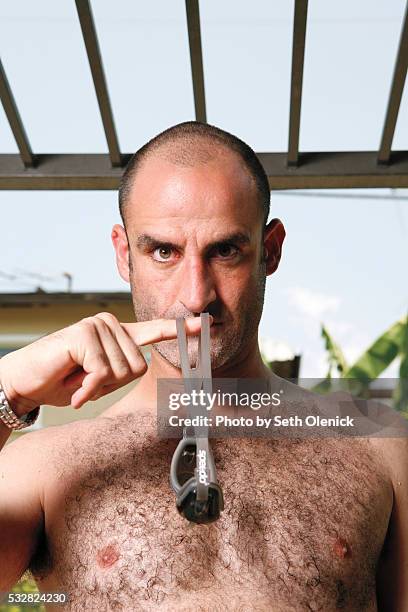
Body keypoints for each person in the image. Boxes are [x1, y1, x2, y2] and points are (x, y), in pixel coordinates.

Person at [0, 121, 406, 611]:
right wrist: (9, 392)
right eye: (164, 252)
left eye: (226, 251)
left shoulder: (382, 448)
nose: (196, 296)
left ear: (270, 250)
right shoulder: (43, 467)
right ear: (125, 256)